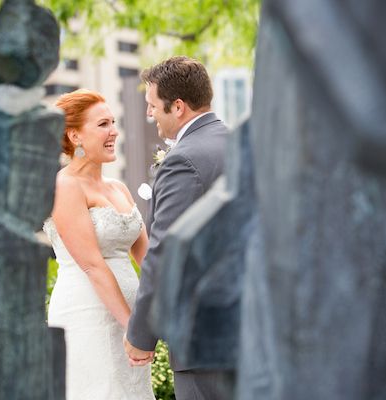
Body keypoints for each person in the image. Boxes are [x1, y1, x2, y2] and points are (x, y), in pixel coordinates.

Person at [123, 56, 229, 399]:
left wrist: (141, 335)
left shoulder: (184, 159)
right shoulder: (243, 145)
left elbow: (165, 251)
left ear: (178, 107)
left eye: (153, 106)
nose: (149, 115)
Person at [42, 89, 155, 400]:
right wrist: (132, 327)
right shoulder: (64, 186)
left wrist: (156, 315)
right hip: (88, 316)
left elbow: (146, 256)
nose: (114, 131)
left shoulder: (118, 187)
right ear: (75, 135)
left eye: (114, 122)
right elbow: (92, 265)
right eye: (103, 124)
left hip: (131, 318)